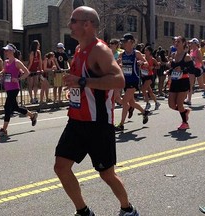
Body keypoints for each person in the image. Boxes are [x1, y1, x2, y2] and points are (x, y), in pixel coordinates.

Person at [54, 6, 139, 216]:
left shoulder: (99, 50)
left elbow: (119, 80)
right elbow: (84, 84)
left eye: (73, 20)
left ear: (87, 24)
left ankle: (127, 209)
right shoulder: (78, 50)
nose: (69, 25)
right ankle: (83, 211)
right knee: (61, 167)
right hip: (76, 121)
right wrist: (74, 87)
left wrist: (83, 81)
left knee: (107, 174)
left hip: (98, 124)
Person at [0, 43, 38, 137]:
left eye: (7, 50)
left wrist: (18, 79)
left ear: (12, 51)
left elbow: (27, 72)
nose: (5, 52)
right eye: (5, 51)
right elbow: (4, 71)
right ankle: (32, 115)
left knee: (7, 107)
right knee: (15, 107)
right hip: (7, 87)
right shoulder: (5, 62)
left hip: (14, 88)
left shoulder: (17, 62)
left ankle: (4, 129)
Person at [114, 33, 149, 132]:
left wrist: (141, 63)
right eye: (123, 42)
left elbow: (146, 63)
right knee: (131, 102)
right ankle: (144, 112)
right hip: (125, 80)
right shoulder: (122, 54)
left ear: (131, 42)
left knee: (125, 101)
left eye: (125, 41)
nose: (123, 43)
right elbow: (118, 66)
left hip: (134, 80)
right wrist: (118, 64)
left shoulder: (136, 53)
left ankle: (121, 124)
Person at [167, 36, 193, 130]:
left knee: (179, 102)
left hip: (183, 81)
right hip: (174, 81)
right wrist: (169, 70)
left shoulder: (186, 56)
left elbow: (192, 69)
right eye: (175, 41)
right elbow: (172, 68)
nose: (176, 43)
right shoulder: (173, 55)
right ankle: (185, 112)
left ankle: (185, 123)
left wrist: (182, 69)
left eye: (178, 41)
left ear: (183, 43)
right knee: (171, 105)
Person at [185, 38, 205, 105]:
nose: (190, 44)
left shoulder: (198, 51)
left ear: (196, 44)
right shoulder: (191, 51)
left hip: (197, 68)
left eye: (192, 43)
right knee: (190, 85)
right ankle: (189, 100)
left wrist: (202, 67)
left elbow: (201, 60)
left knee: (201, 85)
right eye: (190, 43)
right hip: (192, 69)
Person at [140, 46, 161, 110]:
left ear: (150, 52)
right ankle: (157, 103)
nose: (145, 51)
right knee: (150, 91)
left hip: (150, 76)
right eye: (145, 50)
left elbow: (158, 66)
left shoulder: (152, 59)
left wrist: (153, 67)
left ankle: (147, 103)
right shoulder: (143, 58)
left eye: (147, 50)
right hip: (143, 76)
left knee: (143, 89)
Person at [27, 40, 42, 104]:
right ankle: (31, 98)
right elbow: (30, 63)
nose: (39, 46)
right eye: (38, 44)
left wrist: (41, 69)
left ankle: (35, 97)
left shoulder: (38, 52)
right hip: (30, 70)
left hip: (35, 70)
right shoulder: (32, 53)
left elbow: (40, 61)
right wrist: (27, 71)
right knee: (30, 84)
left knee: (36, 84)